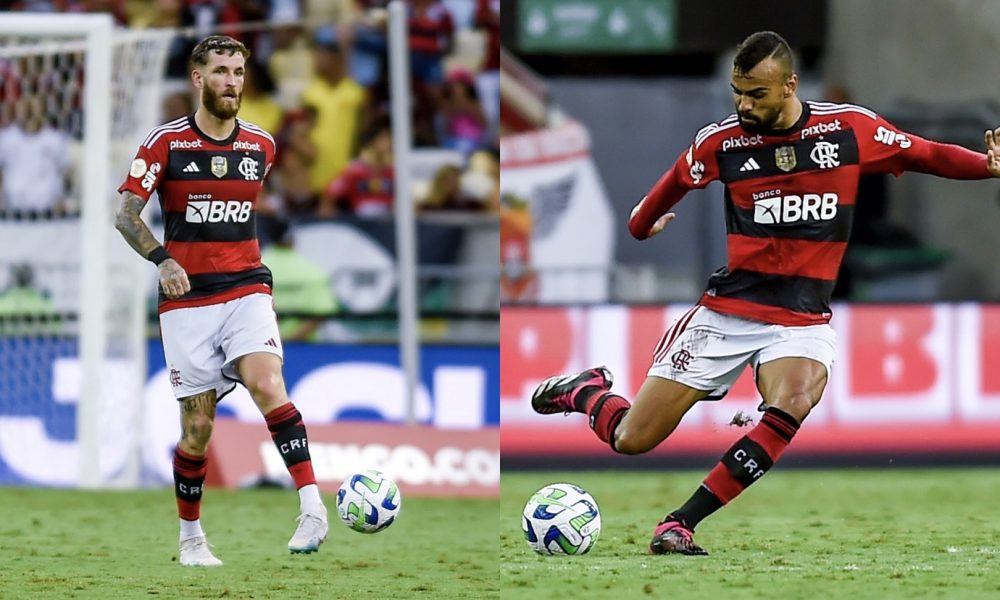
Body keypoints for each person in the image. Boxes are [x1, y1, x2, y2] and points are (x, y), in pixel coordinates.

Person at [530, 31, 1000, 556]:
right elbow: (648, 209)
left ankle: (680, 524)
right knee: (633, 440)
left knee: (793, 399)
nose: (743, 104)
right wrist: (646, 227)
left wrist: (986, 166)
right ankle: (586, 389)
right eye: (738, 92)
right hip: (729, 312)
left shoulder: (848, 130)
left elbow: (926, 154)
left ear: (789, 85)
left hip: (801, 319)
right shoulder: (721, 143)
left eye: (756, 94)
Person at [114, 35, 328, 567]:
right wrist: (163, 259)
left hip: (246, 288)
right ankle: (191, 540)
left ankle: (312, 507)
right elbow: (125, 214)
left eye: (238, 72)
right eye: (221, 72)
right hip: (187, 305)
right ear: (198, 78)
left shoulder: (261, 146)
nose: (232, 81)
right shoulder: (165, 144)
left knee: (266, 381)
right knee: (197, 429)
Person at [260, 218, 338, 342]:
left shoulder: (258, 267)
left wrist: (274, 341)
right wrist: (292, 340)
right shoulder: (312, 270)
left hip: (262, 345)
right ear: (292, 238)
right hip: (304, 348)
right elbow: (322, 312)